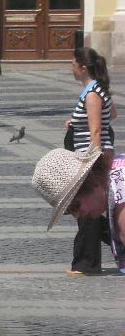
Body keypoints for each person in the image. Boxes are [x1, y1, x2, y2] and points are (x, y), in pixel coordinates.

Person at [63, 46, 117, 275]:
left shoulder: (93, 94)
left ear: (83, 68)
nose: (71, 67)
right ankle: (113, 247)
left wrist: (89, 161)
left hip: (92, 157)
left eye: (73, 63)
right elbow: (111, 114)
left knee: (86, 210)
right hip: (94, 154)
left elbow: (96, 132)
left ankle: (86, 264)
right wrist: (76, 124)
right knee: (89, 210)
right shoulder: (96, 90)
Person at [32, 146, 124, 274]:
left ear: (91, 182)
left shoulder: (120, 192)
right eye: (68, 212)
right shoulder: (116, 179)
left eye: (75, 206)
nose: (76, 215)